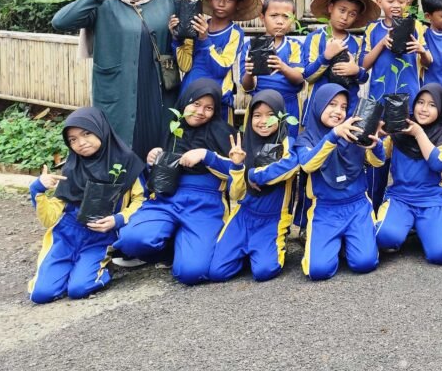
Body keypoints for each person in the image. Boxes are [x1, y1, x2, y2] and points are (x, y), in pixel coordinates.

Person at [52, 0, 179, 161]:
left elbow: (182, 36)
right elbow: (60, 22)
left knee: (159, 148)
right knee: (119, 149)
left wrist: (181, 32)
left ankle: (152, 193)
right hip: (118, 90)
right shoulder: (106, 0)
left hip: (157, 88)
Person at [114, 78, 238, 285]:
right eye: (196, 104)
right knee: (130, 239)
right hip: (167, 199)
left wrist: (207, 156)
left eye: (209, 108)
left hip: (204, 205)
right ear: (185, 102)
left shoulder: (225, 133)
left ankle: (184, 249)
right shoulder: (172, 128)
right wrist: (154, 158)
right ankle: (167, 248)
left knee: (191, 273)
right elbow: (158, 172)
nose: (200, 111)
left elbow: (238, 173)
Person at [27, 108, 146, 303]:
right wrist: (37, 190)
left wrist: (118, 220)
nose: (80, 143)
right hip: (66, 235)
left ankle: (99, 267)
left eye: (86, 133)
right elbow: (50, 219)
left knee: (78, 289)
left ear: (101, 129)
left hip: (100, 237)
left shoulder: (127, 163)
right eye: (72, 140)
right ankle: (67, 270)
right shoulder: (72, 167)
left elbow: (142, 201)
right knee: (42, 294)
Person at [208, 90, 301, 282]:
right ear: (249, 118)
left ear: (281, 116)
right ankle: (247, 252)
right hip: (244, 215)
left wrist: (253, 174)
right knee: (217, 272)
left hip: (272, 219)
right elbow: (236, 194)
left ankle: (263, 250)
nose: (263, 121)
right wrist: (237, 166)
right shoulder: (242, 145)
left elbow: (288, 167)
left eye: (270, 115)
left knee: (265, 271)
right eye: (257, 115)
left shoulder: (288, 143)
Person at [296, 83, 381, 280]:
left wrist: (375, 145)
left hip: (357, 206)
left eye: (343, 107)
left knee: (365, 263)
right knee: (318, 271)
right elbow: (308, 165)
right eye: (332, 104)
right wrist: (334, 135)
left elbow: (377, 162)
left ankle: (348, 243)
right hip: (326, 209)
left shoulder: (355, 131)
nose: (338, 111)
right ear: (318, 105)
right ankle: (337, 243)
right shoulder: (306, 138)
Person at [374, 84, 442, 265]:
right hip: (400, 197)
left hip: (431, 200)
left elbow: (439, 163)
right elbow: (379, 159)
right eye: (420, 102)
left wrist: (419, 133)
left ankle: (424, 230)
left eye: (432, 105)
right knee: (383, 236)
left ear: (441, 108)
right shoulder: (400, 129)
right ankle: (407, 228)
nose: (424, 109)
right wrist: (377, 137)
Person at [361, 0, 428, 208]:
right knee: (377, 156)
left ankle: (403, 208)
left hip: (409, 101)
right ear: (380, 2)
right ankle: (373, 208)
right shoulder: (372, 29)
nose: (396, 5)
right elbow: (364, 64)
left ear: (407, 2)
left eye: (401, 0)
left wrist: (421, 50)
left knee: (406, 156)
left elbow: (428, 62)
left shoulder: (416, 27)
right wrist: (382, 43)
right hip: (379, 102)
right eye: (391, 0)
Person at [173, 0, 261, 125]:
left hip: (217, 100)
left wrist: (204, 39)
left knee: (217, 144)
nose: (221, 3)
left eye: (229, 0)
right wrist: (177, 37)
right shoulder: (196, 26)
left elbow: (220, 69)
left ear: (238, 5)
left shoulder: (235, 33)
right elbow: (184, 65)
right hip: (189, 95)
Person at [302, 0, 381, 120]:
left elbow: (363, 77)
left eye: (352, 14)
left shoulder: (357, 42)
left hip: (348, 110)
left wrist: (355, 70)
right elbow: (308, 75)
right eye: (342, 10)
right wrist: (326, 56)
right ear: (330, 8)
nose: (345, 17)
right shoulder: (315, 38)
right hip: (319, 108)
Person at [239, 0, 305, 138]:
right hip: (259, 104)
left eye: (286, 16)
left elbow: (299, 78)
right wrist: (250, 73)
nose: (280, 21)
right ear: (262, 18)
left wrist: (282, 67)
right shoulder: (250, 47)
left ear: (293, 19)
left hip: (288, 104)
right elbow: (246, 86)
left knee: (288, 145)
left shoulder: (295, 46)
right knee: (257, 146)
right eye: (274, 16)